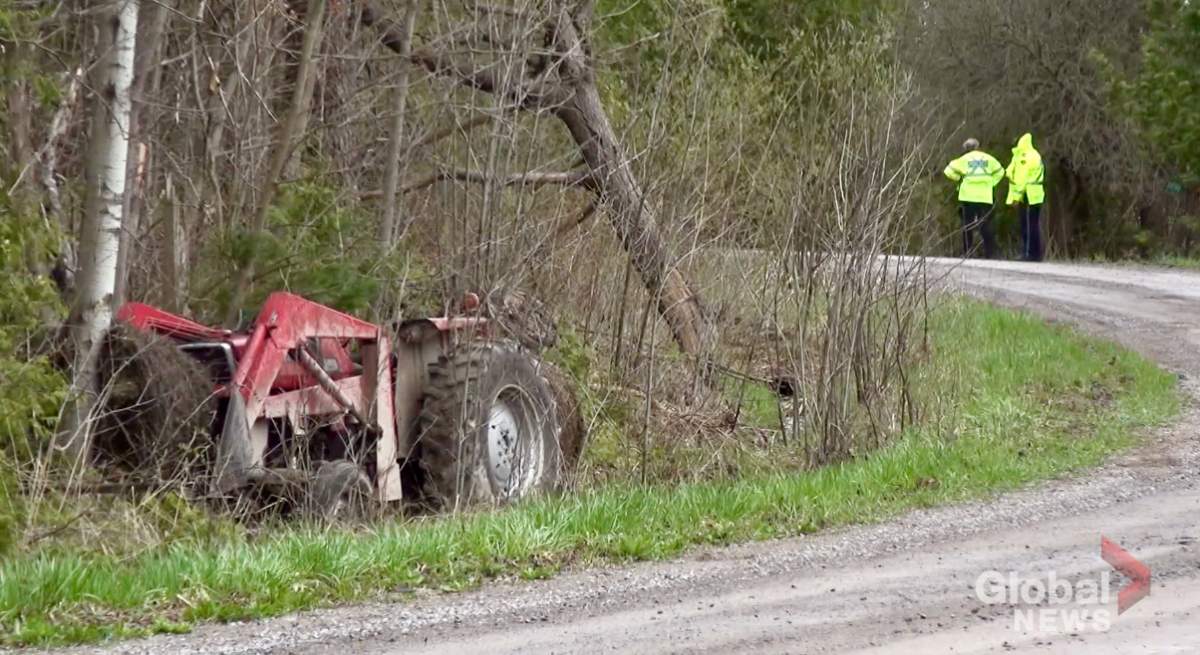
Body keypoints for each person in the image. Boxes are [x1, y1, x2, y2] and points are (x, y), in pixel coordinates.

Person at [944, 138, 1004, 258]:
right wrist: (992, 183)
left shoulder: (963, 159)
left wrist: (959, 179)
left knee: (967, 225)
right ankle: (990, 253)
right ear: (978, 147)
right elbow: (1001, 172)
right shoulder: (988, 158)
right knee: (986, 224)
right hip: (985, 196)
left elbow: (948, 171)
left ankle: (968, 252)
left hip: (968, 195)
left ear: (966, 148)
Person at [1005, 133, 1046, 262]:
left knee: (1028, 225)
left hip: (1028, 194)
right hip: (1035, 194)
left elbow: (1021, 179)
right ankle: (1036, 254)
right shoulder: (1033, 154)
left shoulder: (1024, 156)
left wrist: (1016, 197)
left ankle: (1029, 254)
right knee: (1033, 224)